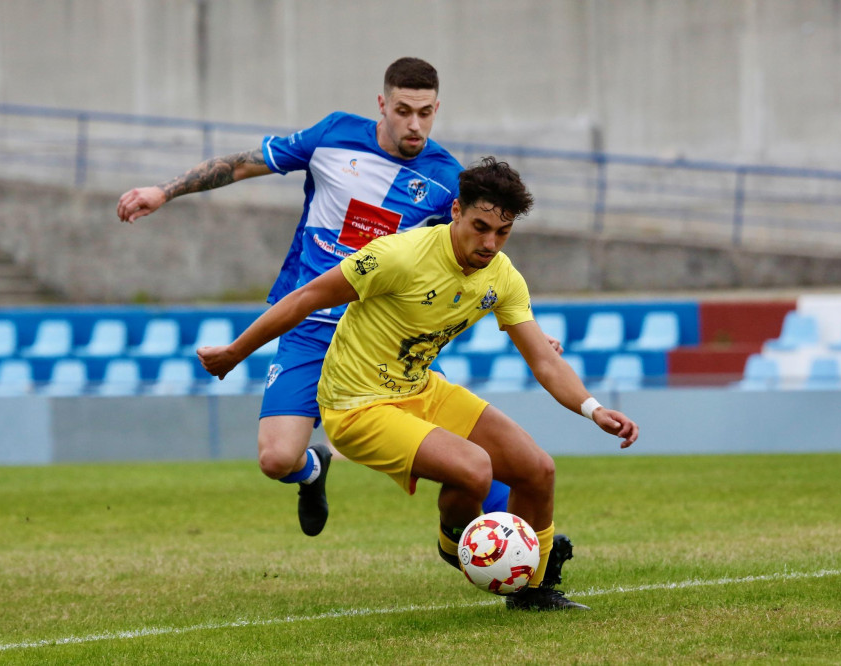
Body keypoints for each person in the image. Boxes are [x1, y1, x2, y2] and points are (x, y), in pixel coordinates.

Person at [115, 57, 576, 578]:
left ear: (437, 110)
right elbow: (245, 163)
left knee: (478, 460)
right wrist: (164, 191)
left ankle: (527, 553)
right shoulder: (333, 135)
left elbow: (481, 249)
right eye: (403, 110)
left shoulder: (448, 179)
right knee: (276, 459)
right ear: (382, 104)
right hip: (308, 325)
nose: (414, 125)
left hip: (386, 342)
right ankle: (314, 469)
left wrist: (533, 329)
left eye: (425, 113)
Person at [197, 157, 639, 611]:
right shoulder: (398, 255)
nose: (489, 243)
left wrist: (593, 408)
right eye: (480, 226)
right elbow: (307, 297)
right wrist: (235, 352)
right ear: (456, 212)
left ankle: (534, 590)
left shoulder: (502, 276)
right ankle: (460, 549)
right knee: (475, 469)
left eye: (502, 233)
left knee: (538, 469)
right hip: (356, 405)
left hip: (419, 389)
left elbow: (544, 361)